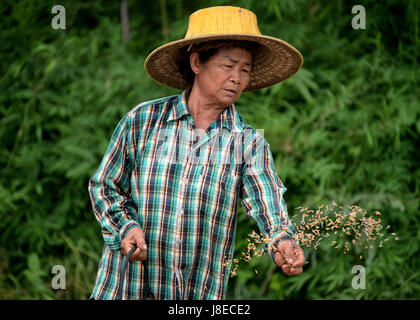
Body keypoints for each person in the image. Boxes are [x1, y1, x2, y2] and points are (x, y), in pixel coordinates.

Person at [88, 6, 305, 300]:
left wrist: (282, 239)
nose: (237, 78)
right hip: (127, 289)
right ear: (196, 62)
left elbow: (266, 199)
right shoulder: (143, 121)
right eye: (228, 66)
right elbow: (105, 185)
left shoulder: (247, 142)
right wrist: (125, 228)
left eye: (245, 69)